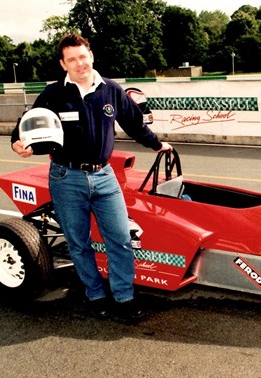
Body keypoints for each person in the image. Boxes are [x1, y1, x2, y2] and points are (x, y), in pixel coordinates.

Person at [11, 34, 172, 321]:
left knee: (121, 238)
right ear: (63, 64)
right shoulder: (52, 94)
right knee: (78, 242)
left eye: (82, 56)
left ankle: (124, 297)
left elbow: (134, 124)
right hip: (65, 176)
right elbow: (25, 124)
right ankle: (95, 293)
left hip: (104, 175)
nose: (79, 63)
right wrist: (18, 144)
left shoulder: (111, 89)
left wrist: (157, 144)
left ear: (91, 56)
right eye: (71, 59)